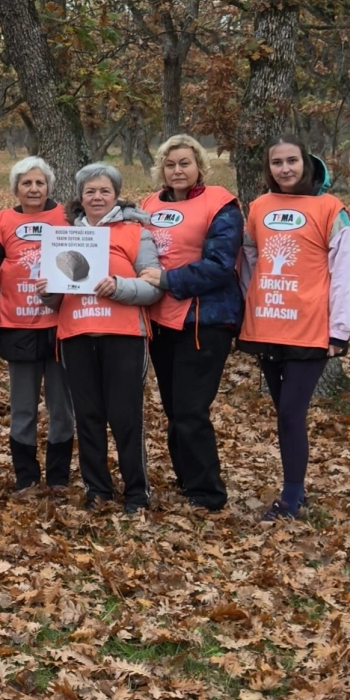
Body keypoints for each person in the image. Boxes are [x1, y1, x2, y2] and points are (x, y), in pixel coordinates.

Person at [239, 137, 350, 521]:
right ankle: (297, 491)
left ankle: (290, 499)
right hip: (266, 326)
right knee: (284, 414)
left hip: (309, 329)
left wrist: (340, 330)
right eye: (277, 162)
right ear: (268, 168)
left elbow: (344, 271)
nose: (285, 168)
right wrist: (249, 306)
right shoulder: (259, 207)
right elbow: (250, 258)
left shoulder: (330, 209)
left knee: (291, 413)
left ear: (306, 163)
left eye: (292, 160)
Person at [40, 163, 162, 513]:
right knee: (88, 416)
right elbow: (55, 297)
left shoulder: (135, 233)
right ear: (80, 197)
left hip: (124, 335)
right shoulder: (63, 235)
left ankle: (136, 493)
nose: (97, 197)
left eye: (104, 191)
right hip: (76, 335)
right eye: (90, 191)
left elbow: (155, 287)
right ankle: (98, 490)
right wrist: (47, 291)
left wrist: (119, 286)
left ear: (116, 195)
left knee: (126, 417)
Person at [137, 134, 243, 511]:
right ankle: (187, 479)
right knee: (173, 408)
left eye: (185, 163)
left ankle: (207, 493)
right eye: (170, 164)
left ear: (199, 165)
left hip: (204, 320)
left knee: (190, 409)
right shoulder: (148, 205)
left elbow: (220, 264)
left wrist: (169, 280)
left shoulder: (221, 204)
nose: (177, 170)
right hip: (160, 320)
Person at [0, 156, 74, 494]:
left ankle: (59, 478)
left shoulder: (68, 220)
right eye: (26, 183)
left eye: (39, 183)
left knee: (62, 408)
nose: (34, 189)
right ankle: (26, 477)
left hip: (61, 327)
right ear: (15, 188)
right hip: (16, 326)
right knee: (22, 408)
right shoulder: (2, 223)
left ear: (49, 187)